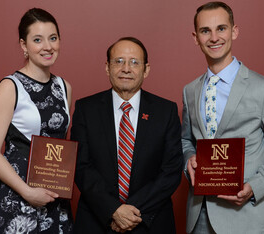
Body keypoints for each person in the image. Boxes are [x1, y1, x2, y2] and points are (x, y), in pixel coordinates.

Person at [181, 2, 264, 234]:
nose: (214, 37)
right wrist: (189, 159)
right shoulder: (190, 91)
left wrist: (253, 188)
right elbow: (186, 141)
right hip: (198, 216)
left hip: (243, 219)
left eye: (221, 28)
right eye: (206, 31)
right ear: (196, 38)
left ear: (234, 31)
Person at [70, 37, 183, 233]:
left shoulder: (166, 111)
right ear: (107, 67)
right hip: (97, 221)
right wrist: (113, 210)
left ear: (146, 69)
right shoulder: (85, 109)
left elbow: (171, 171)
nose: (126, 69)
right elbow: (81, 167)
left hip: (150, 220)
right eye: (119, 61)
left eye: (134, 62)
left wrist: (128, 213)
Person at [0, 8, 73, 233]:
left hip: (54, 199)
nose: (47, 46)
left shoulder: (64, 87)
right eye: (37, 40)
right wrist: (27, 192)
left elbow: (60, 146)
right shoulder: (9, 87)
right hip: (17, 197)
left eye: (53, 38)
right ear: (24, 45)